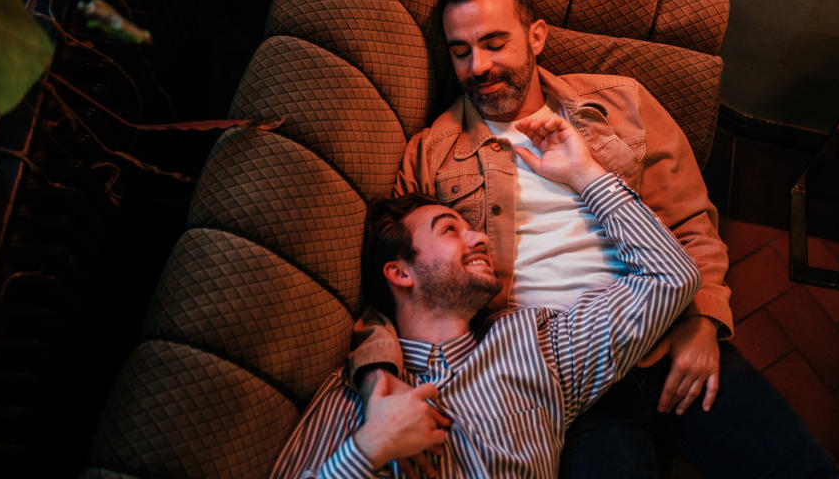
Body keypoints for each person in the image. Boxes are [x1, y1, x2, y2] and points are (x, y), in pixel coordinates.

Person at [351, 0, 839, 478]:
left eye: (495, 43)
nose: (478, 66)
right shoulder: (431, 153)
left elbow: (691, 222)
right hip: (560, 383)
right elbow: (398, 289)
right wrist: (377, 378)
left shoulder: (621, 103)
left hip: (666, 333)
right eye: (460, 51)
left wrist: (703, 321)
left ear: (535, 36)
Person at [270, 113, 701, 478]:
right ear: (400, 272)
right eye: (450, 229)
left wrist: (585, 175)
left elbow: (670, 276)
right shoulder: (358, 395)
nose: (478, 237)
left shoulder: (535, 345)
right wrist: (366, 450)